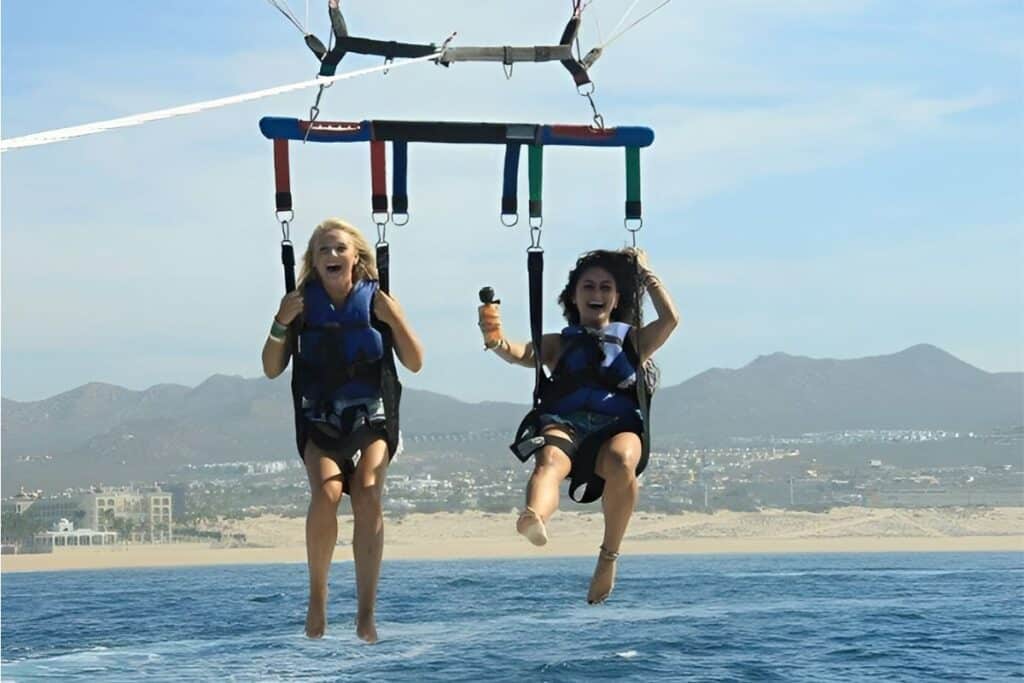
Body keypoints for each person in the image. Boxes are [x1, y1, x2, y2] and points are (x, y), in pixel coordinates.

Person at [479, 248, 678, 603]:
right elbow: (518, 353)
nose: (596, 293)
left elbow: (670, 320)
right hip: (566, 425)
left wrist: (645, 274)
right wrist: (495, 335)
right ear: (574, 296)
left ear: (616, 298)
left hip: (616, 430)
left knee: (622, 461)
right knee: (549, 461)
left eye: (605, 287)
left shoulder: (632, 341)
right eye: (588, 286)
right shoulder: (558, 344)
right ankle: (534, 517)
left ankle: (608, 557)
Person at [263, 218, 424, 642]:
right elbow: (271, 368)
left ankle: (365, 613)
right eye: (323, 250)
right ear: (313, 262)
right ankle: (318, 597)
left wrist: (396, 319)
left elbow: (414, 362)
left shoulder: (378, 301)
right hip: (320, 418)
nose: (332, 255)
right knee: (327, 494)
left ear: (356, 257)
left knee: (368, 491)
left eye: (339, 249)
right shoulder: (300, 305)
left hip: (372, 415)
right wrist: (280, 322)